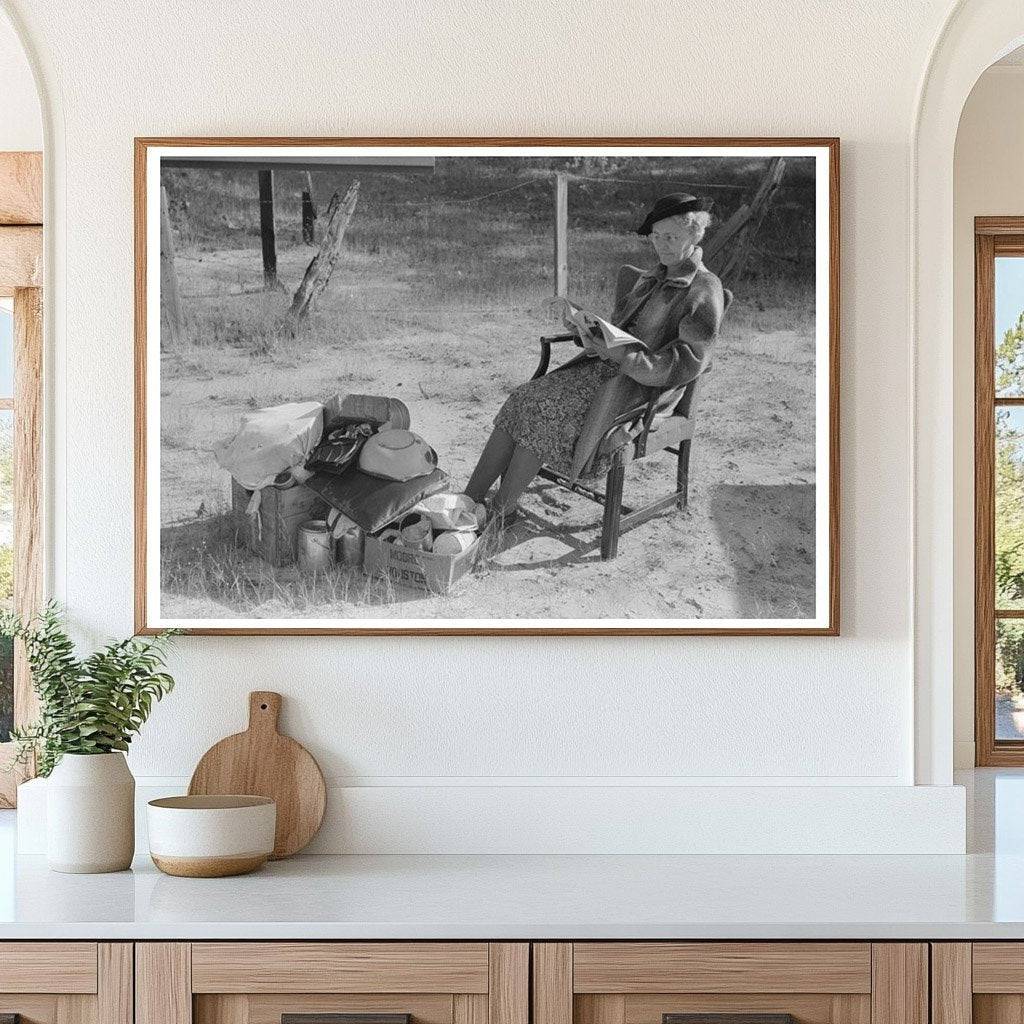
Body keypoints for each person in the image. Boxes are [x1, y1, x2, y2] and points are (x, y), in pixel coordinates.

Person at [465, 192, 727, 525]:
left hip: (641, 390)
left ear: (694, 235)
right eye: (656, 237)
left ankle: (501, 511)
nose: (660, 244)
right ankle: (467, 500)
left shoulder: (704, 287)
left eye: (671, 237)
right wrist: (585, 330)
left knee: (546, 410)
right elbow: (618, 330)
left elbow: (687, 362)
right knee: (524, 397)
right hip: (604, 370)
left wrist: (626, 357)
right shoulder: (650, 278)